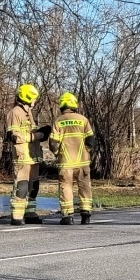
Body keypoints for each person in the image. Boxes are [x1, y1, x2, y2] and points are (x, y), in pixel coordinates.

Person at [49, 92, 95, 225]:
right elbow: (91, 140)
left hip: (65, 162)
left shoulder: (58, 121)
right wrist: (87, 152)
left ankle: (67, 216)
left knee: (66, 187)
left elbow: (53, 143)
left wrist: (57, 153)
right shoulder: (83, 119)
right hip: (82, 162)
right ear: (75, 104)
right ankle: (86, 215)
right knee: (84, 186)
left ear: (62, 105)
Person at [7, 84, 46, 225]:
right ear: (27, 98)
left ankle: (30, 213)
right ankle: (17, 216)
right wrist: (35, 136)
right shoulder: (15, 113)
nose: (35, 101)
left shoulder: (28, 113)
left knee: (33, 187)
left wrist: (42, 133)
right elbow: (14, 136)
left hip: (33, 157)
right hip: (22, 157)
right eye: (34, 98)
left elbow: (30, 133)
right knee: (21, 186)